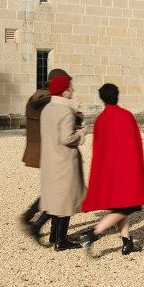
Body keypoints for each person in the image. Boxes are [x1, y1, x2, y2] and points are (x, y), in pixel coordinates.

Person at [78, 83, 144, 257]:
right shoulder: (126, 116)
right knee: (127, 206)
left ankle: (127, 242)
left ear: (102, 99)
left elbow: (100, 150)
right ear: (117, 95)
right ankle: (92, 234)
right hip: (126, 170)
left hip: (110, 172)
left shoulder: (101, 119)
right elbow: (135, 145)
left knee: (121, 205)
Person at [38, 74, 88, 251]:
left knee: (57, 198)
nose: (73, 90)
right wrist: (82, 134)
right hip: (65, 160)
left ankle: (54, 236)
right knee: (66, 200)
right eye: (71, 87)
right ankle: (61, 241)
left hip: (50, 158)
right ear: (65, 91)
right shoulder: (65, 111)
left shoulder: (48, 108)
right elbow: (67, 138)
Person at [20, 68, 70, 244]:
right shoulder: (50, 101)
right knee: (61, 191)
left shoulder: (38, 96)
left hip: (41, 149)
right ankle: (45, 229)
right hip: (51, 152)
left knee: (54, 189)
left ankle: (33, 219)